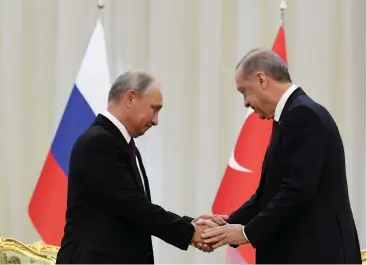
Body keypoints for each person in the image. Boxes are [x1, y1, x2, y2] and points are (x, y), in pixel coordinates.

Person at [201, 49, 362, 263]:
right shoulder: (292, 115)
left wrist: (247, 232)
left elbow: (297, 191)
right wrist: (226, 225)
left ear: (261, 80)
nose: (245, 103)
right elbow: (268, 193)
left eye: (244, 92)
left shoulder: (303, 115)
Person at [56, 70, 227, 264]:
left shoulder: (117, 142)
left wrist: (191, 224)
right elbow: (133, 207)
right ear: (130, 98)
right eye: (154, 109)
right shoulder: (98, 143)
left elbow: (135, 208)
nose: (155, 120)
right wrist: (190, 231)